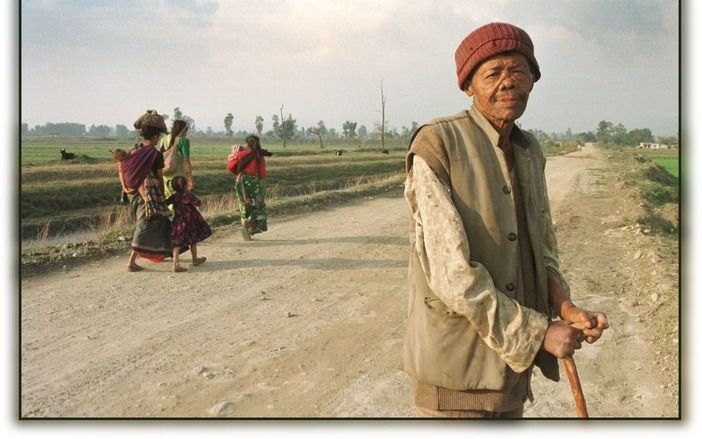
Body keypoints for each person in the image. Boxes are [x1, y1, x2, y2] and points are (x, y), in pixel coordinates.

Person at [401, 22, 609, 418]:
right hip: (455, 374)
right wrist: (539, 332)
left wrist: (564, 306)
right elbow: (451, 274)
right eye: (492, 73)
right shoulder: (438, 144)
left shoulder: (529, 150)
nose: (508, 82)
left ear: (533, 80)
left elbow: (542, 246)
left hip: (510, 380)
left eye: (518, 71)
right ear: (468, 86)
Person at [121, 110, 172, 272]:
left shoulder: (133, 150)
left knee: (157, 222)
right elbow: (159, 177)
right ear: (156, 136)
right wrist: (162, 197)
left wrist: (124, 186)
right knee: (145, 223)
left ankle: (159, 253)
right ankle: (131, 261)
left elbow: (121, 169)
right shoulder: (155, 155)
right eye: (159, 136)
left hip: (131, 192)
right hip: (148, 194)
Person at [226, 135, 269, 240]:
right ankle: (249, 226)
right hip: (253, 182)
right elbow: (262, 174)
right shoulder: (259, 156)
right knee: (259, 207)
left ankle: (246, 229)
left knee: (244, 205)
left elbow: (230, 167)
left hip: (240, 181)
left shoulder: (239, 154)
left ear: (246, 143)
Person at [166, 175, 212, 272]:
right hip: (190, 221)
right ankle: (195, 260)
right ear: (186, 185)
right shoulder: (188, 195)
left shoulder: (174, 197)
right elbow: (198, 203)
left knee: (176, 242)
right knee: (193, 241)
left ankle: (176, 263)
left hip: (178, 221)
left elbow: (166, 203)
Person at [158, 119, 194, 202]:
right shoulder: (183, 141)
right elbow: (186, 160)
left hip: (166, 177)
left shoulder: (163, 139)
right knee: (181, 201)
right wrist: (190, 179)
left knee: (169, 200)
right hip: (179, 178)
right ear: (183, 129)